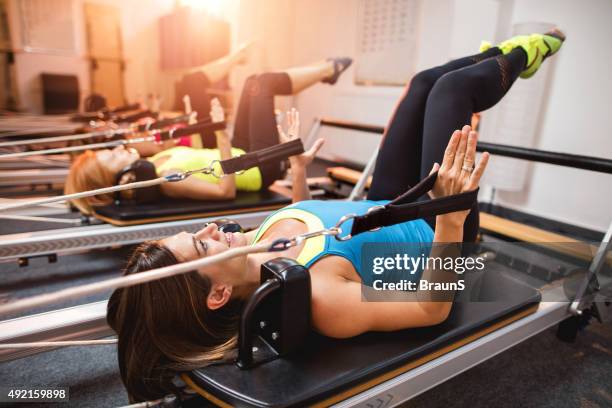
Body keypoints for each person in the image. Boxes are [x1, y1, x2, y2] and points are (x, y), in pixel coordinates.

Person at [107, 31, 565, 401]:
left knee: (423, 83)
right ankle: (524, 54)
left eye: (195, 231)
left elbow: (307, 223)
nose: (210, 229)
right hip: (436, 227)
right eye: (202, 243)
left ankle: (491, 59)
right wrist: (450, 211)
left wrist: (299, 173)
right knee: (452, 89)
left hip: (385, 203)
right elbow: (431, 307)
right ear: (219, 294)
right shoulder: (321, 299)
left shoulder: (247, 246)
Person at [64, 51, 353, 214]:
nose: (116, 150)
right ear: (114, 178)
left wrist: (207, 129)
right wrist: (223, 137)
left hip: (242, 153)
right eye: (111, 158)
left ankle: (328, 71)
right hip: (259, 167)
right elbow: (224, 191)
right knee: (263, 84)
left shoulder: (158, 162)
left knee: (253, 81)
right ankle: (328, 68)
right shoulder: (165, 178)